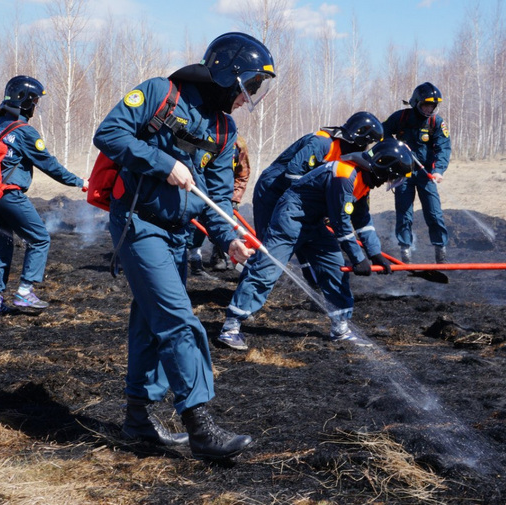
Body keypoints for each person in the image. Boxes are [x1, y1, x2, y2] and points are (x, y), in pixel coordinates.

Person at [93, 32, 276, 461]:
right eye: (249, 84)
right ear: (228, 74)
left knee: (149, 324)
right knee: (179, 322)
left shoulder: (224, 128)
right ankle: (200, 425)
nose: (249, 96)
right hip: (138, 225)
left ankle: (138, 421)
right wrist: (164, 162)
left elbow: (215, 194)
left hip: (178, 236)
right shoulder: (161, 93)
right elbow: (109, 134)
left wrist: (228, 238)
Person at [218, 138, 414, 350]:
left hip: (314, 223)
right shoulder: (344, 175)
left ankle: (340, 328)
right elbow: (341, 223)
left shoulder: (362, 181)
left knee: (334, 268)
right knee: (267, 270)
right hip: (291, 219)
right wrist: (358, 258)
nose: (388, 182)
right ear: (383, 166)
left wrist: (375, 253)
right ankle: (231, 328)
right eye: (392, 176)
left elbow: (362, 219)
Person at [0, 76, 87, 317]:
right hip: (9, 196)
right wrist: (80, 182)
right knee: (39, 238)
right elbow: (50, 165)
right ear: (25, 101)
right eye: (35, 102)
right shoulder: (24, 132)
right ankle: (24, 292)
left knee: (1, 243)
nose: (35, 107)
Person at [244, 112, 384, 293]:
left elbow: (357, 210)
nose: (366, 148)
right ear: (359, 138)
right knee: (267, 248)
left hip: (297, 198)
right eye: (367, 142)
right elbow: (293, 174)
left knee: (310, 239)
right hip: (273, 190)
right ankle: (246, 291)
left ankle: (317, 288)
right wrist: (316, 207)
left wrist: (374, 251)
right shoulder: (322, 143)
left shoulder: (348, 160)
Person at [382, 82, 451, 264]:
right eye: (426, 105)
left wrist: (438, 171)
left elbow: (443, 148)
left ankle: (440, 251)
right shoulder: (401, 117)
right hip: (403, 174)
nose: (429, 109)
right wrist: (395, 145)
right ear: (416, 103)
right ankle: (406, 253)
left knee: (434, 213)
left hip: (426, 175)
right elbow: (382, 133)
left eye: (433, 106)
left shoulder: (436, 122)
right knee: (404, 214)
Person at [187, 134, 251, 276]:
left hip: (225, 194)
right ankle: (195, 259)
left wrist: (234, 199)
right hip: (199, 188)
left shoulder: (239, 147)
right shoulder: (203, 139)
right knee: (196, 225)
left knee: (227, 223)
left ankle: (221, 257)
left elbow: (242, 174)